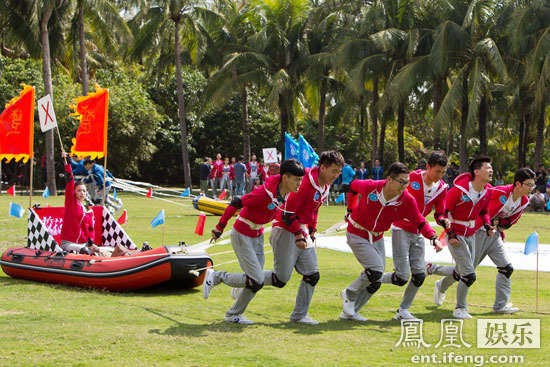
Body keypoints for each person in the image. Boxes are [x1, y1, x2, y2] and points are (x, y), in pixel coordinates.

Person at [202, 159, 305, 324]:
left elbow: (283, 215)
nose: (300, 183)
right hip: (242, 234)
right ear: (285, 178)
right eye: (297, 180)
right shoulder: (264, 194)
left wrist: (299, 233)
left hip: (258, 235)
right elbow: (235, 203)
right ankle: (216, 277)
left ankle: (232, 314)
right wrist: (219, 228)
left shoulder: (285, 193)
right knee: (256, 280)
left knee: (255, 281)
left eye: (301, 180)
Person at [341, 162, 439, 321]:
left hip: (377, 237)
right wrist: (350, 209)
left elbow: (419, 220)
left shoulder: (407, 200)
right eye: (401, 182)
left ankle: (349, 313)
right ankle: (349, 293)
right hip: (357, 232)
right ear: (389, 179)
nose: (404, 186)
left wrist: (433, 237)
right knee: (375, 270)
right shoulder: (371, 186)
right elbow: (352, 187)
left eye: (407, 182)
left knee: (376, 279)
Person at [428, 168, 535, 314]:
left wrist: (497, 223)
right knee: (465, 272)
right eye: (528, 185)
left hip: (494, 235)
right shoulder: (499, 192)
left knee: (506, 268)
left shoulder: (524, 201)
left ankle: (500, 306)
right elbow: (479, 208)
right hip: (477, 233)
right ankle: (439, 281)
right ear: (518, 184)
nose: (531, 188)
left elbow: (508, 223)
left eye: (532, 185)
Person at [266, 150, 344, 324]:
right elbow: (287, 214)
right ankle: (247, 282)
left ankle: (299, 316)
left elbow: (313, 209)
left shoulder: (325, 184)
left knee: (312, 275)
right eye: (334, 171)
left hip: (301, 230)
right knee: (280, 280)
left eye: (339, 172)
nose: (336, 176)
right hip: (286, 229)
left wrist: (312, 229)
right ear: (322, 168)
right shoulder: (304, 181)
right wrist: (298, 235)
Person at [381, 152, 448, 321]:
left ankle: (403, 310)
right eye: (437, 171)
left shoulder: (442, 188)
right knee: (401, 276)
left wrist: (442, 220)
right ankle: (371, 277)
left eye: (443, 172)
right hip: (401, 229)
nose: (439, 175)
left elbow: (439, 212)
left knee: (419, 275)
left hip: (419, 230)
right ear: (428, 167)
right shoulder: (411, 178)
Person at [435, 156, 494, 319]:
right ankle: (460, 308)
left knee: (462, 270)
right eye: (487, 168)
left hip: (472, 234)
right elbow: (443, 212)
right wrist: (451, 234)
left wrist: (488, 225)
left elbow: (484, 212)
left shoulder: (488, 191)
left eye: (491, 168)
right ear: (476, 171)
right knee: (469, 275)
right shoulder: (458, 190)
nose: (491, 171)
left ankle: (435, 274)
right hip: (455, 234)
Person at [60, 153, 134, 257]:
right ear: (74, 192)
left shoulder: (88, 210)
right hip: (68, 243)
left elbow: (90, 230)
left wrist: (92, 243)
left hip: (84, 243)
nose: (82, 193)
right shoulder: (71, 203)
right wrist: (67, 164)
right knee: (86, 250)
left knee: (104, 249)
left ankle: (124, 256)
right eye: (79, 191)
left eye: (84, 191)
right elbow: (70, 183)